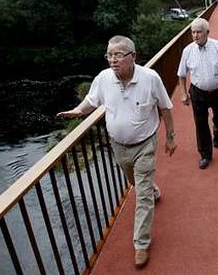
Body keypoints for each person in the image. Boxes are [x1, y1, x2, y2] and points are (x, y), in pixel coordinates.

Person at [57, 35, 176, 268]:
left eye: (118, 55)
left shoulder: (150, 79)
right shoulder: (103, 79)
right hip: (118, 146)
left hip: (145, 144)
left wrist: (171, 137)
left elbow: (165, 108)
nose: (113, 60)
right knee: (136, 182)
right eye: (109, 55)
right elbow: (91, 100)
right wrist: (77, 111)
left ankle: (141, 243)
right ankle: (151, 187)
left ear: (133, 56)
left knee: (141, 197)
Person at [177, 17, 218, 169]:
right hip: (198, 93)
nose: (195, 35)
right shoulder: (188, 51)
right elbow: (182, 74)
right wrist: (183, 93)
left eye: (199, 32)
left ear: (207, 32)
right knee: (201, 124)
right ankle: (205, 155)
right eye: (193, 32)